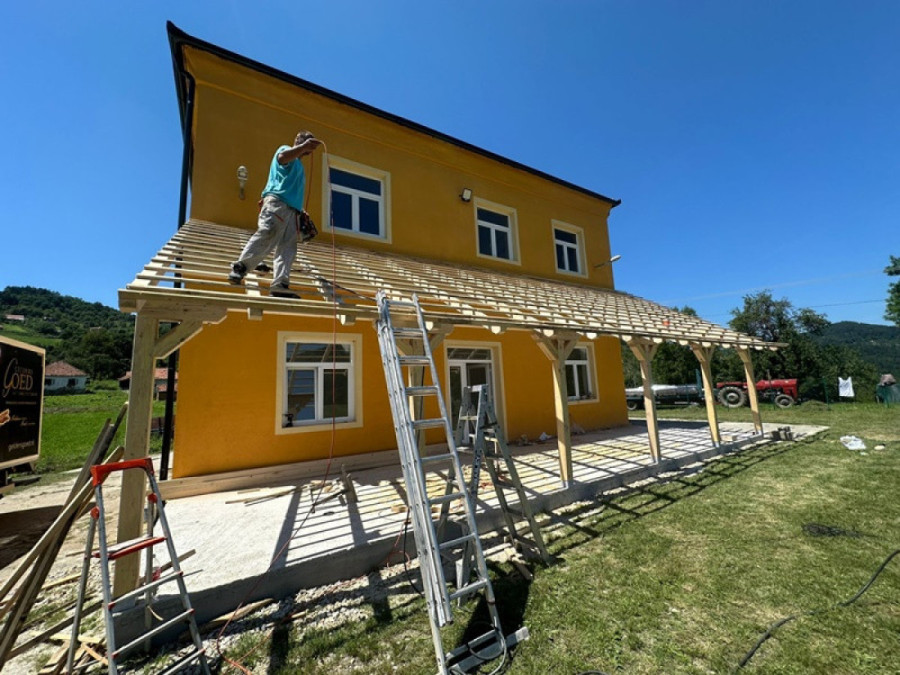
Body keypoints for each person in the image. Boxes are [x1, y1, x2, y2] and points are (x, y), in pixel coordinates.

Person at [228, 131, 322, 298]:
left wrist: (300, 210)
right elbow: (282, 157)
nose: (308, 150)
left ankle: (280, 285)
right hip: (278, 204)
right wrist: (303, 147)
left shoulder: (299, 167)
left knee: (288, 247)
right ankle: (240, 267)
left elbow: (290, 189)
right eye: (306, 144)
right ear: (298, 141)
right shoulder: (286, 151)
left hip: (293, 211)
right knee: (267, 234)